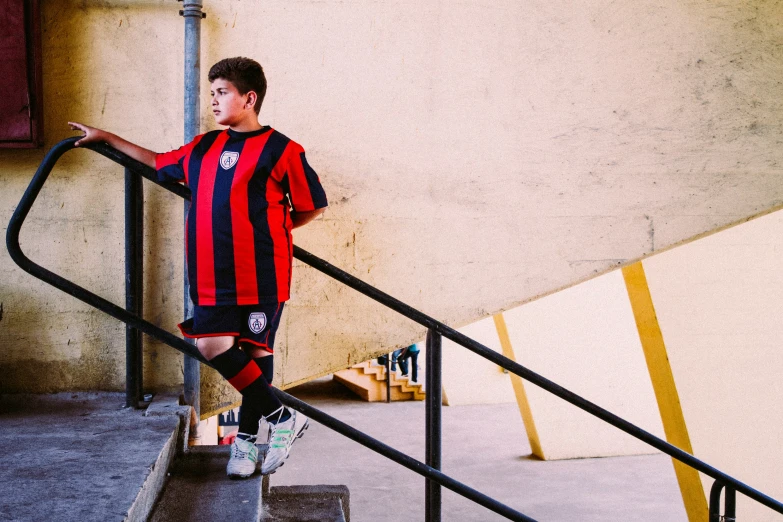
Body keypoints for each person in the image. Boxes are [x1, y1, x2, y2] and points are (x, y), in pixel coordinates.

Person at [68, 57, 328, 479]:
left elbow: (311, 205)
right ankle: (283, 418)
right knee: (212, 345)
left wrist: (271, 229)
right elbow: (156, 162)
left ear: (249, 98)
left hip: (263, 272)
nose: (214, 100)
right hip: (210, 274)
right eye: (211, 93)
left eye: (222, 92)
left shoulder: (283, 149)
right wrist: (108, 138)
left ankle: (244, 447)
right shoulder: (205, 147)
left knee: (256, 355)